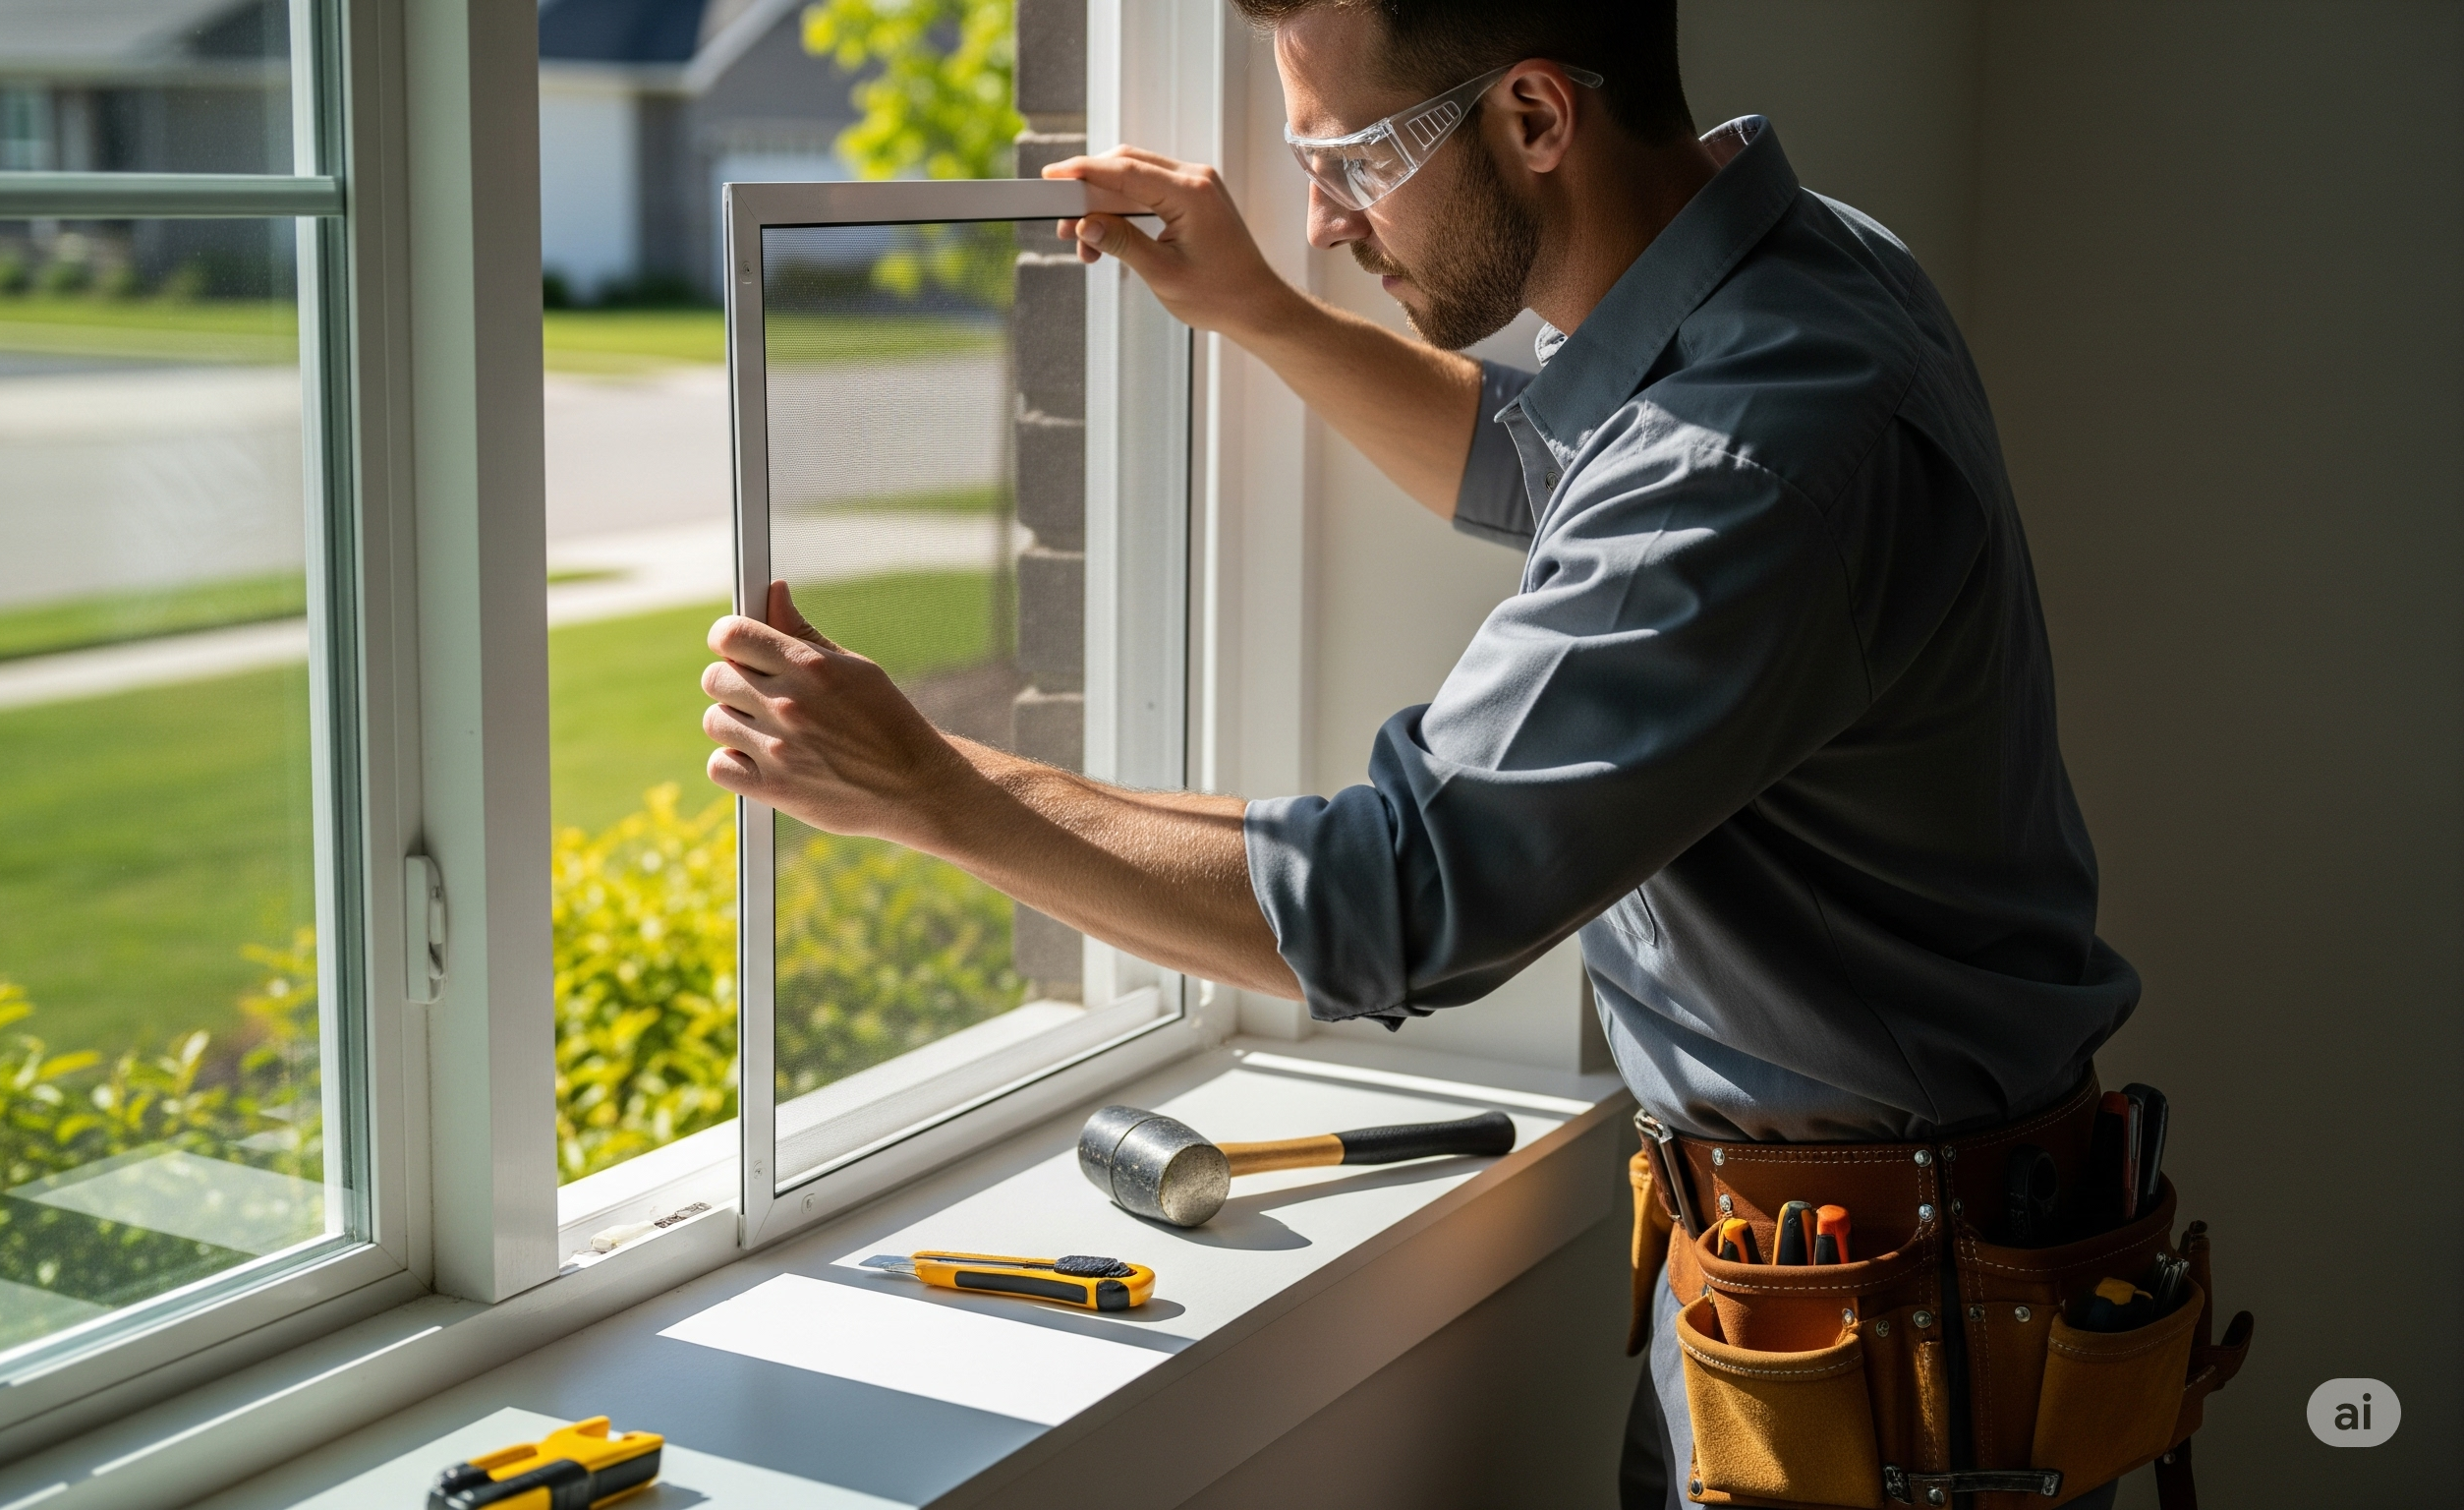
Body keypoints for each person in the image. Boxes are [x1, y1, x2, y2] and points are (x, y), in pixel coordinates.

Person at [697, 2, 2140, 1505]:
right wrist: (1252, 310)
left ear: (1532, 118)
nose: (1321, 220)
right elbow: (1556, 464)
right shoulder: (1800, 276)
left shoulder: (1757, 449)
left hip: (1899, 1351)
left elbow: (1399, 900)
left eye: (1349, 158)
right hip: (1845, 1288)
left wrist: (935, 791)